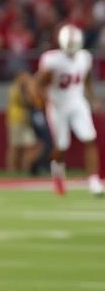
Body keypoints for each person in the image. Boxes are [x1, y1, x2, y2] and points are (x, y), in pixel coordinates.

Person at [36, 24, 102, 196]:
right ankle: (57, 170)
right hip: (58, 105)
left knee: (89, 138)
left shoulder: (85, 57)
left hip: (77, 102)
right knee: (62, 146)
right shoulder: (52, 60)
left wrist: (92, 98)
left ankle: (94, 180)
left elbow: (86, 80)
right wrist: (43, 98)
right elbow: (40, 82)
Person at [5, 68, 42, 176]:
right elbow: (25, 102)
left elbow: (34, 101)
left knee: (30, 145)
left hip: (26, 120)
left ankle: (26, 169)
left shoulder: (26, 88)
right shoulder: (15, 88)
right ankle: (12, 170)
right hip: (16, 120)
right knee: (15, 147)